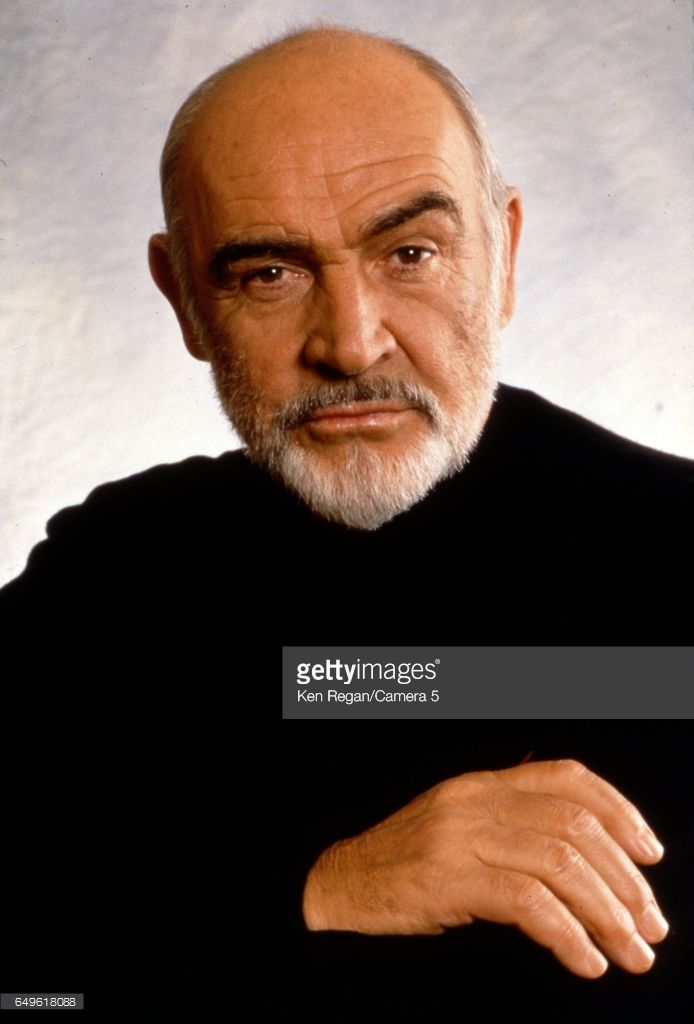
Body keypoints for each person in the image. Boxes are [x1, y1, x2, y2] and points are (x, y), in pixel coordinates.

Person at [1, 26, 691, 1017]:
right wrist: (325, 889)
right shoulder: (113, 572)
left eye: (410, 252)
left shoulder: (676, 547)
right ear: (185, 298)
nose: (352, 343)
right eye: (269, 274)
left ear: (501, 257)